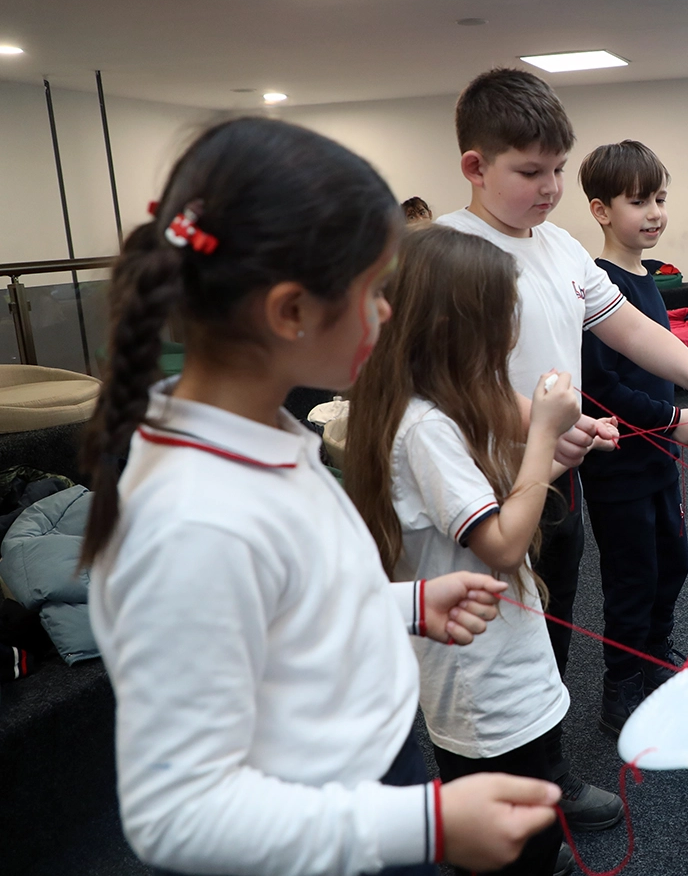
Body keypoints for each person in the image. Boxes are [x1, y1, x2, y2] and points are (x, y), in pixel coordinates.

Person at [82, 117, 561, 875]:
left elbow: (282, 606)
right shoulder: (196, 519)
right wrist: (427, 821)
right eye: (374, 290)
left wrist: (404, 604)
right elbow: (177, 814)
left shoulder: (258, 434)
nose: (386, 313)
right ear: (291, 311)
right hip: (325, 831)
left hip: (366, 781)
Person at [433, 68, 688, 831]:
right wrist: (544, 423)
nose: (550, 187)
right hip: (477, 487)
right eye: (530, 172)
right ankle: (494, 801)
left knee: (549, 623)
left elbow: (631, 330)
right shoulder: (448, 252)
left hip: (555, 477)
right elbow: (450, 382)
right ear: (475, 168)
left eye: (557, 169)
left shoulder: (557, 248)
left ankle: (545, 777)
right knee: (486, 643)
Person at [347, 226, 620, 876]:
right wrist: (543, 437)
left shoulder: (435, 408)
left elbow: (489, 509)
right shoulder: (424, 427)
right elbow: (500, 542)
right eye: (503, 320)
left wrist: (551, 459)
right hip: (482, 680)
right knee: (507, 829)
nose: (511, 336)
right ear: (454, 325)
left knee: (529, 814)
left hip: (504, 661)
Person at [575, 140, 688, 733]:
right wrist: (669, 420)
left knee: (671, 563)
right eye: (639, 202)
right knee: (632, 577)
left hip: (658, 458)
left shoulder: (648, 278)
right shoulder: (594, 286)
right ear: (602, 211)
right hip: (617, 464)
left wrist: (678, 409)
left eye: (660, 198)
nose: (655, 212)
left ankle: (654, 660)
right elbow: (598, 389)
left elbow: (658, 366)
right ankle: (619, 687)